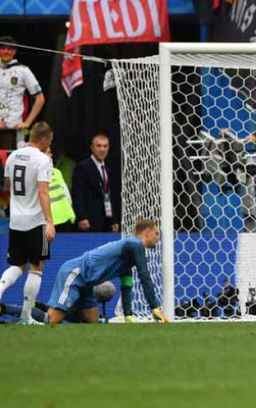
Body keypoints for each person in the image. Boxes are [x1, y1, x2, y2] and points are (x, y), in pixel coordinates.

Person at [46, 219, 168, 325]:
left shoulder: (128, 257)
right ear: (147, 232)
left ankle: (63, 312)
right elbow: (144, 276)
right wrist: (154, 308)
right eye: (156, 233)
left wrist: (128, 316)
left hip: (87, 284)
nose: (158, 238)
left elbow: (127, 285)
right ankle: (39, 314)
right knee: (54, 320)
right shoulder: (134, 244)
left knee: (92, 319)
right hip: (75, 273)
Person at [0, 121, 55, 325]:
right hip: (35, 221)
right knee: (37, 267)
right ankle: (26, 316)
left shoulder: (13, 156)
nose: (49, 145)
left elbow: (7, 186)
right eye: (49, 141)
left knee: (17, 264)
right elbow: (43, 192)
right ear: (43, 139)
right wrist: (49, 221)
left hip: (16, 220)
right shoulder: (42, 160)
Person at [0, 36, 45, 149]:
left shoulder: (23, 70)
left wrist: (27, 123)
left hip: (14, 129)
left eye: (10, 49)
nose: (6, 51)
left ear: (15, 51)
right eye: (3, 48)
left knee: (11, 162)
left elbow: (40, 98)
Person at [72, 132, 120, 232]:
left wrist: (113, 219)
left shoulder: (109, 168)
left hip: (107, 221)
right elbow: (77, 194)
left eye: (105, 146)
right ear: (92, 147)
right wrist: (81, 217)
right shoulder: (83, 167)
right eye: (98, 146)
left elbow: (110, 195)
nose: (102, 149)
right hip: (89, 221)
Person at [45, 147, 76, 231]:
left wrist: (70, 212)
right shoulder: (35, 173)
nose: (49, 155)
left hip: (64, 218)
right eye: (45, 152)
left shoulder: (57, 172)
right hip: (47, 221)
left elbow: (66, 194)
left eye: (49, 152)